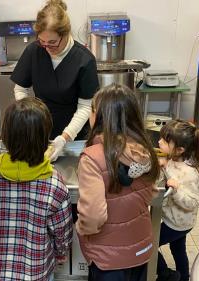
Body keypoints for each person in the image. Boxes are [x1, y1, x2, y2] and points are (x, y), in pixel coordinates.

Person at [0, 97, 72, 281]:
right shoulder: (54, 183)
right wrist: (60, 254)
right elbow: (62, 233)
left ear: (5, 135)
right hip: (38, 272)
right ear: (45, 138)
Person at [76, 84, 160, 281]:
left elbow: (93, 217)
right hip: (140, 247)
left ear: (99, 117)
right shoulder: (146, 151)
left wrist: (80, 228)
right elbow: (150, 193)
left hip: (108, 258)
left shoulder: (92, 158)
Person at [10, 0, 99, 161]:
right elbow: (20, 89)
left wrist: (65, 137)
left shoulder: (84, 60)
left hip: (74, 134)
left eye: (52, 43)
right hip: (40, 132)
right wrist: (31, 118)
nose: (47, 48)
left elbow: (86, 107)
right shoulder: (34, 51)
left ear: (66, 34)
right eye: (42, 42)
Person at [156, 120, 199, 281]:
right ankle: (183, 277)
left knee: (148, 244)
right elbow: (170, 176)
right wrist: (163, 167)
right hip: (174, 219)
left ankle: (165, 274)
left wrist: (176, 190)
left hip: (178, 224)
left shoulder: (190, 174)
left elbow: (192, 203)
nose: (159, 142)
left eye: (164, 141)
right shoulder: (173, 159)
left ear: (180, 149)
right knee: (178, 249)